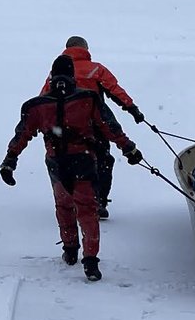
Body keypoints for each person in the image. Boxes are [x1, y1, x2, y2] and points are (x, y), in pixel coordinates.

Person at [2, 53, 143, 280]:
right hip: (83, 160)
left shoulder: (37, 105)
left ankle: (70, 249)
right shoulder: (88, 99)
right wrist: (129, 149)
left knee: (64, 206)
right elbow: (110, 127)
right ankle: (90, 260)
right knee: (88, 211)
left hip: (57, 163)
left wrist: (10, 160)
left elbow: (22, 134)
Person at [41, 37, 145, 218]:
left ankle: (72, 201)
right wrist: (132, 109)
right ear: (85, 49)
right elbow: (115, 90)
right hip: (95, 123)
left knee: (66, 160)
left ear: (67, 49)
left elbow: (43, 99)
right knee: (102, 160)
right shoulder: (96, 69)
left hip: (64, 127)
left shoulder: (55, 74)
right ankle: (97, 202)